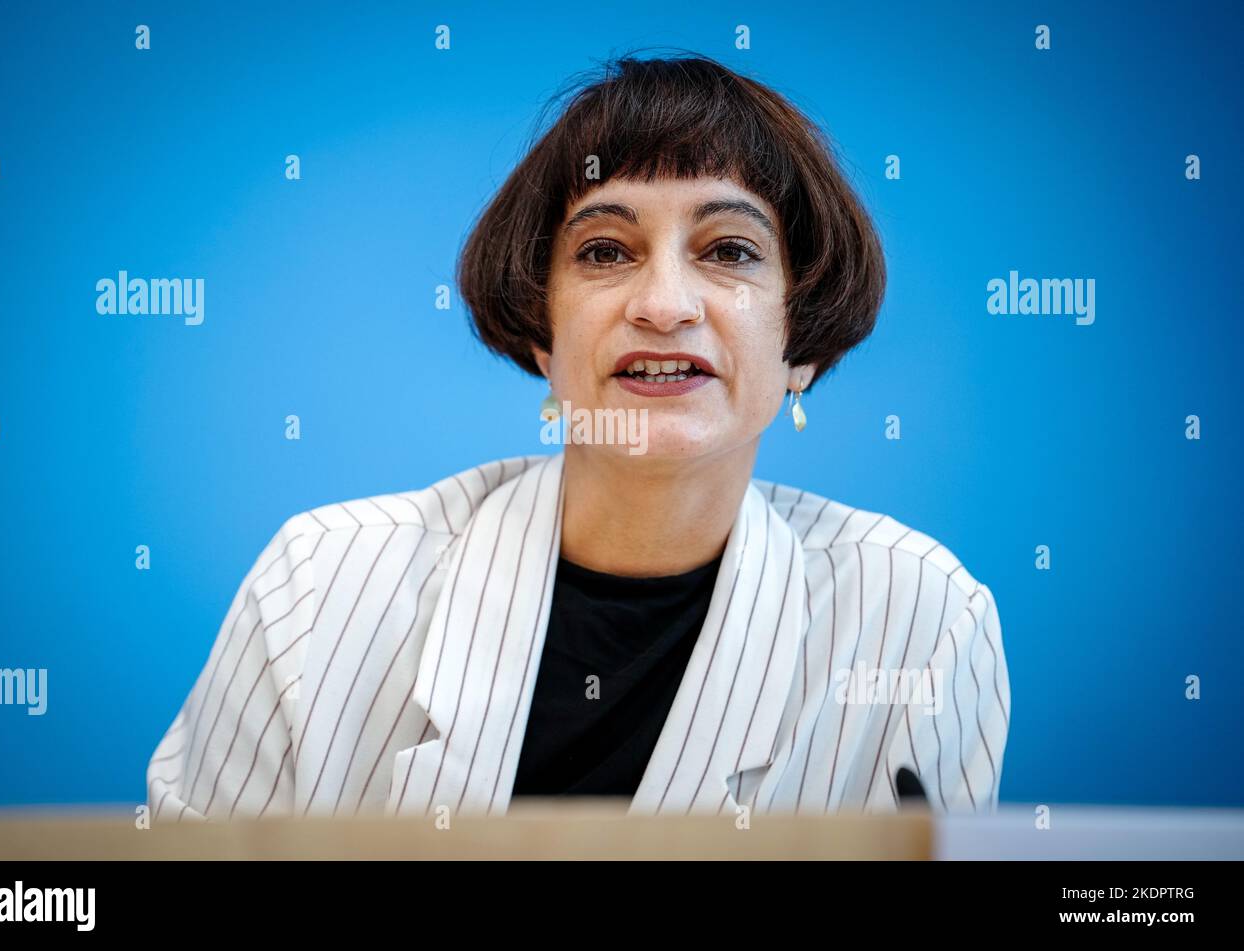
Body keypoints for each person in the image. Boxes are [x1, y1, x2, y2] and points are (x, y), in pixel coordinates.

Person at [146, 52, 1008, 822]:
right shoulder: (320, 583)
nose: (664, 305)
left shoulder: (919, 620)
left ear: (801, 345)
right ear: (542, 336)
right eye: (604, 250)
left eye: (730, 250)